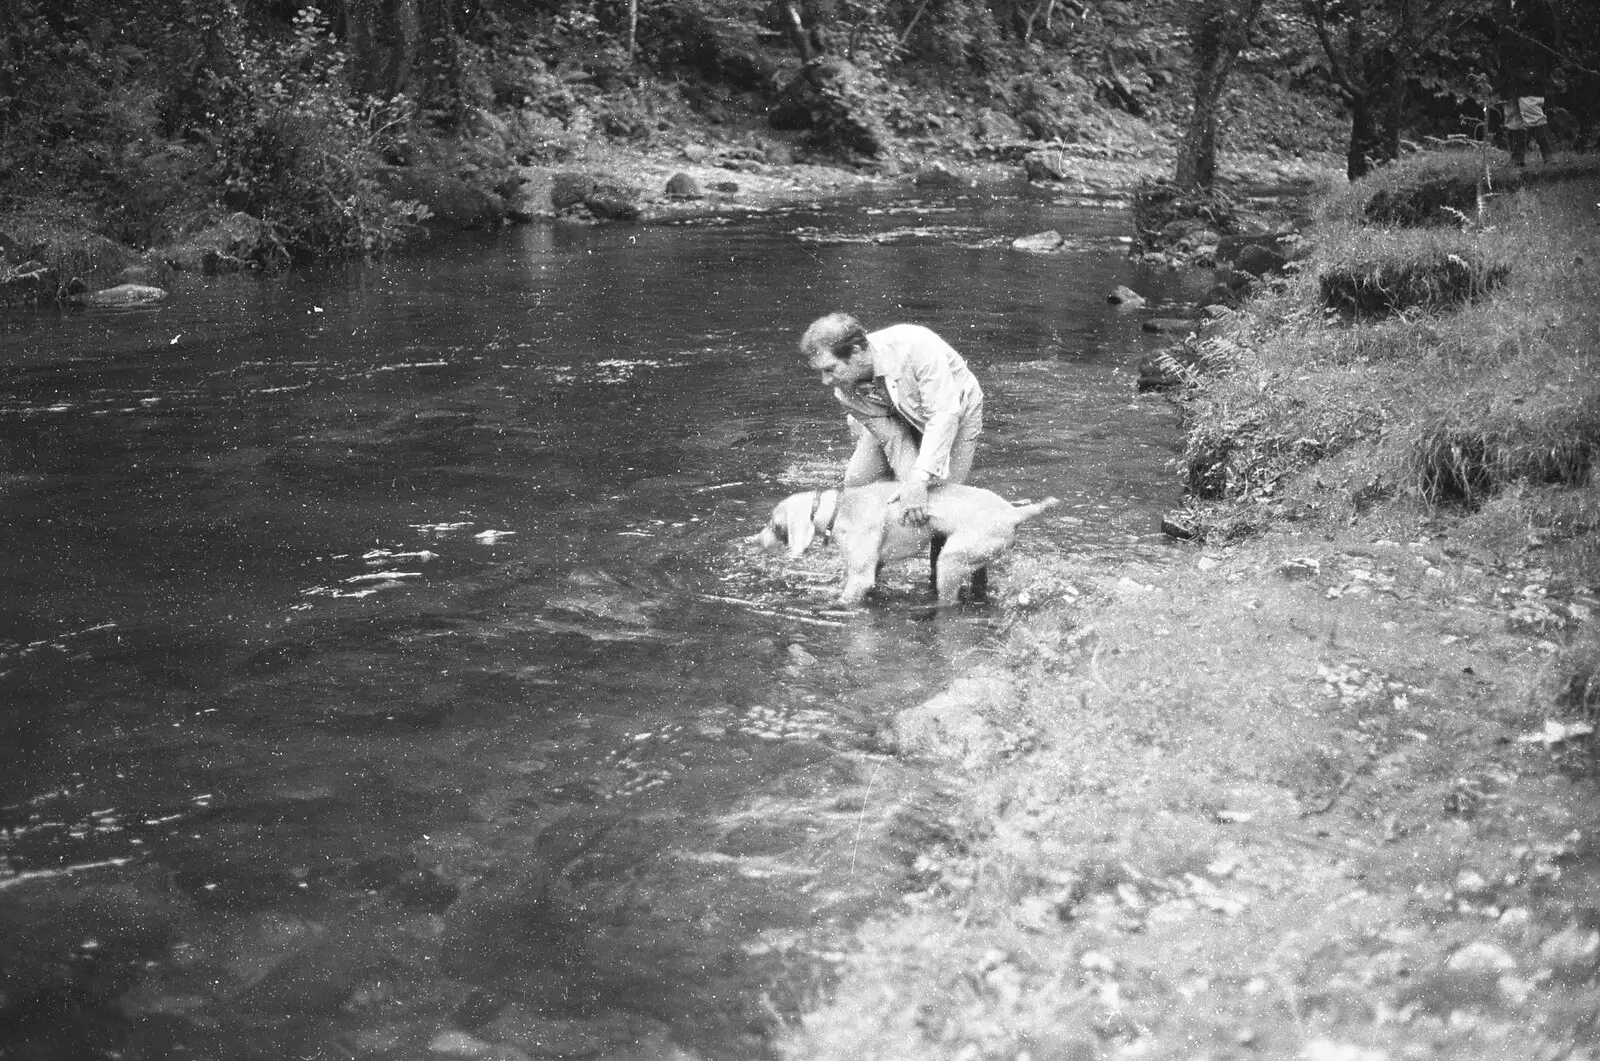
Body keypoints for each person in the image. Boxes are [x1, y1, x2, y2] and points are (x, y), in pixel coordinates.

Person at [799, 312, 985, 590]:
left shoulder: (917, 346)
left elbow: (943, 415)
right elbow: (894, 438)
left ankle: (948, 585)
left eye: (830, 369)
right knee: (858, 483)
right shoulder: (845, 389)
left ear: (858, 351)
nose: (826, 381)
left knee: (942, 500)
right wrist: (909, 487)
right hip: (897, 416)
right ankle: (867, 571)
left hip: (953, 411)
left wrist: (920, 480)